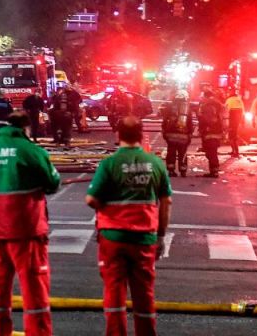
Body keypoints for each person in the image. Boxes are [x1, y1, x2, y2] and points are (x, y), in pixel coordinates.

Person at [0, 113, 61, 336]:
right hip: (26, 232)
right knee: (34, 292)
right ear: (26, 128)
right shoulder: (31, 151)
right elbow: (52, 183)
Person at [86, 116, 171, 336]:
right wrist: (161, 235)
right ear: (142, 135)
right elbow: (166, 202)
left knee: (114, 294)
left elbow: (91, 200)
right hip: (144, 239)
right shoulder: (155, 164)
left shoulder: (109, 164)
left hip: (113, 239)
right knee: (144, 295)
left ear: (118, 135)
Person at [160, 92, 196, 177]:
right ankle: (183, 170)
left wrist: (165, 132)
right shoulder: (187, 109)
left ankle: (171, 170)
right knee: (182, 153)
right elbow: (190, 123)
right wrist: (190, 133)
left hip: (171, 135)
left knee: (171, 153)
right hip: (183, 136)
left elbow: (165, 121)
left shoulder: (169, 107)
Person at [197, 89, 225, 178]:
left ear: (206, 96)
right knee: (213, 152)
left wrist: (201, 127)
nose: (201, 98)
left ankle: (214, 171)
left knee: (210, 152)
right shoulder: (218, 104)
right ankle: (214, 170)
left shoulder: (207, 106)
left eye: (202, 96)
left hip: (209, 132)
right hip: (217, 131)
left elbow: (206, 120)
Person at [225, 90, 244, 158]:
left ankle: (235, 151)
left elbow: (226, 110)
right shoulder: (239, 100)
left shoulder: (229, 100)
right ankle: (234, 151)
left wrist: (225, 121)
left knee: (231, 137)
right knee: (234, 135)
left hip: (232, 119)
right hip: (238, 120)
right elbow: (243, 110)